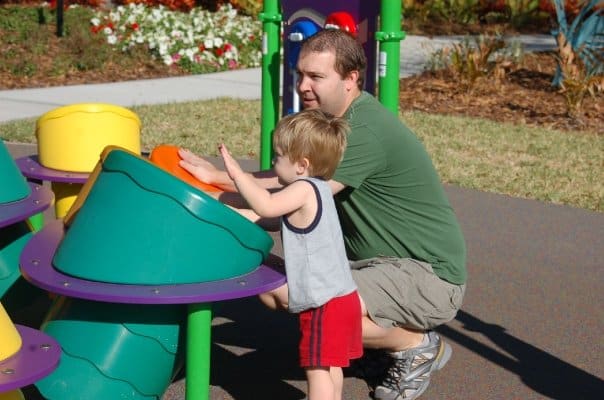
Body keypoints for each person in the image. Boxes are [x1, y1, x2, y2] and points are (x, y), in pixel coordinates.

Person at [179, 29, 467, 400]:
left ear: (351, 80)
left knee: (314, 302)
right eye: (300, 74)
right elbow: (295, 181)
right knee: (271, 289)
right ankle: (374, 349)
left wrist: (225, 204)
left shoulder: (361, 131)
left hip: (428, 275)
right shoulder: (330, 128)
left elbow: (294, 200)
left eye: (316, 76)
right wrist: (217, 179)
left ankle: (414, 342)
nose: (302, 86)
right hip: (381, 265)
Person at [219, 108, 363, 400]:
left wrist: (238, 175)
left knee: (316, 370)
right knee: (330, 366)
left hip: (324, 302)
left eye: (278, 156)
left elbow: (267, 207)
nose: (273, 162)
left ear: (302, 164)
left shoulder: (303, 189)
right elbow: (272, 218)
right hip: (343, 296)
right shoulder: (320, 188)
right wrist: (231, 214)